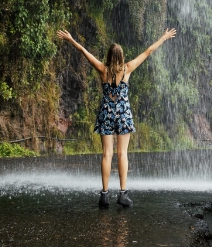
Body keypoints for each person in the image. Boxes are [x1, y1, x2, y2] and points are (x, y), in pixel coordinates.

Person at [57, 27, 177, 208]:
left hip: (106, 112)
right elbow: (148, 51)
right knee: (122, 153)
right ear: (121, 57)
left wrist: (71, 40)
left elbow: (84, 51)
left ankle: (104, 196)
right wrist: (164, 37)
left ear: (108, 56)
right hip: (123, 114)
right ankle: (122, 194)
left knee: (107, 154)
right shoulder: (127, 69)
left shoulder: (102, 69)